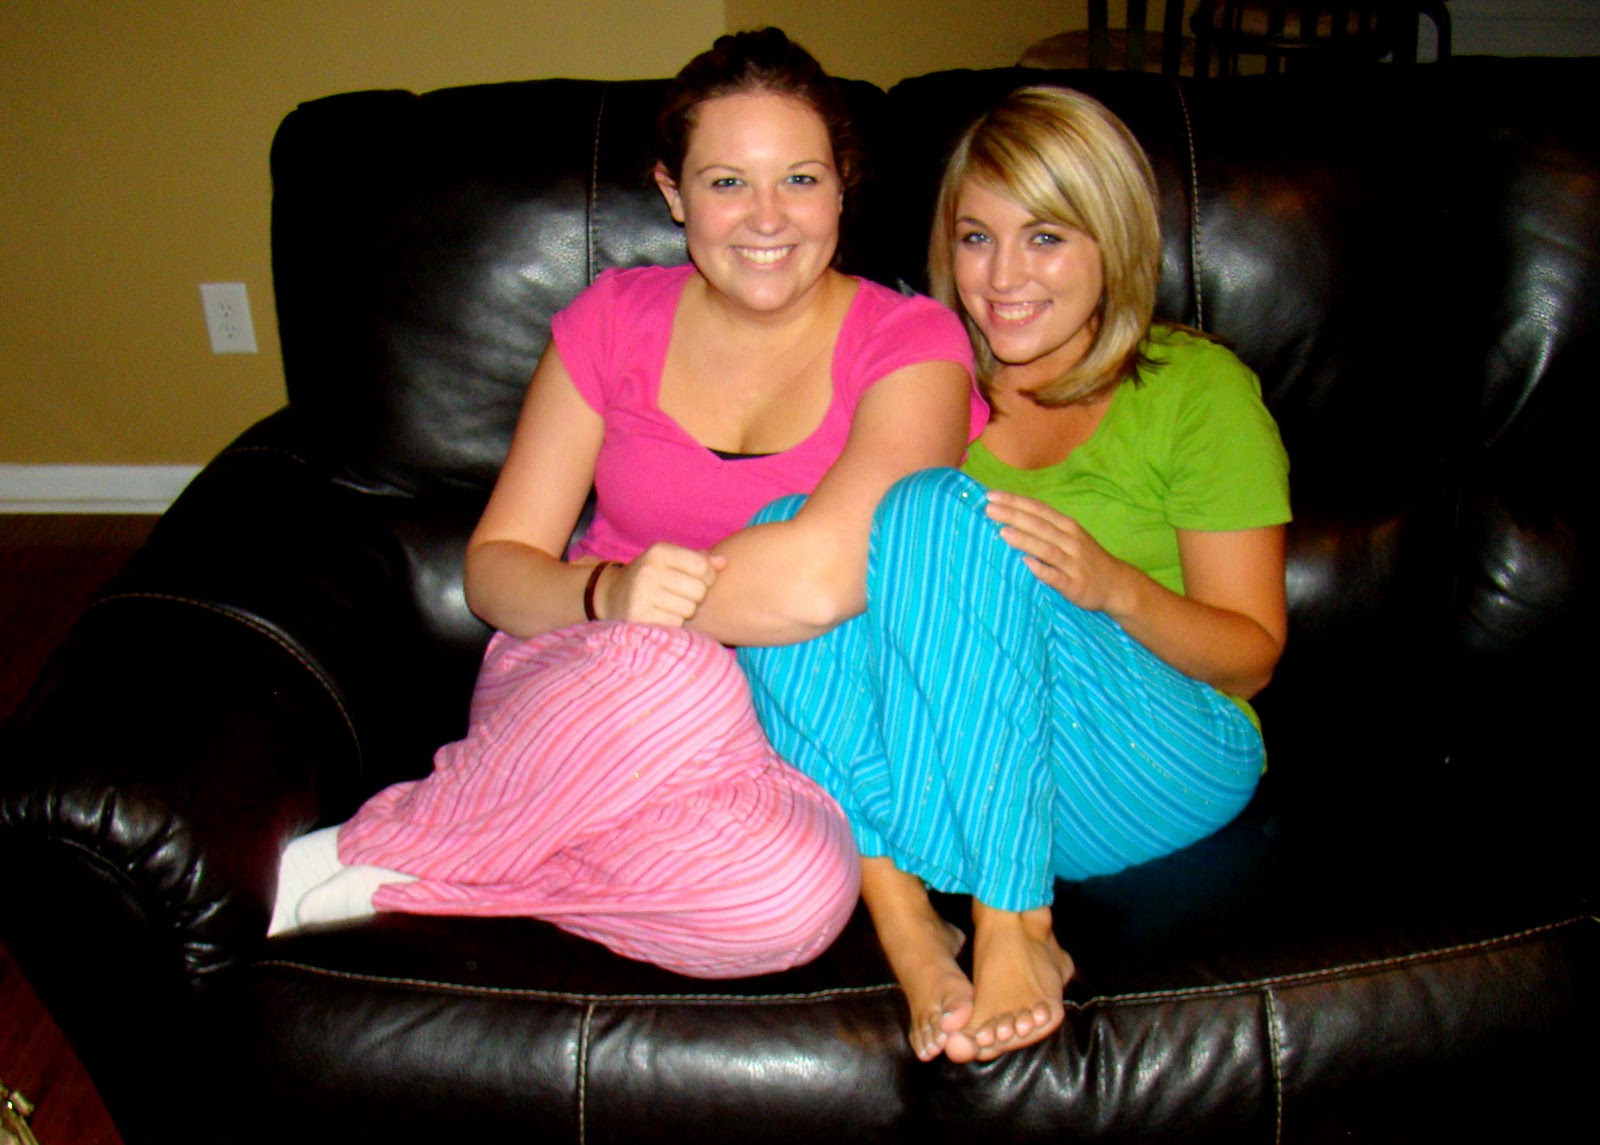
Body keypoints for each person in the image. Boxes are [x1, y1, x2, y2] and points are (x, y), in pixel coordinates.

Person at [269, 28, 986, 981]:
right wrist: (608, 594)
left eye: (801, 180)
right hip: (591, 690)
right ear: (672, 193)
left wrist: (684, 614)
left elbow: (825, 579)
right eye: (726, 182)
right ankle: (376, 847)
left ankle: (442, 863)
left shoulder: (913, 344)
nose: (768, 217)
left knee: (796, 897)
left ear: (842, 188)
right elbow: (495, 570)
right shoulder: (610, 320)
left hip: (778, 736)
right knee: (675, 672)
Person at [738, 85, 1291, 1060]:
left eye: (1045, 237)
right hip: (973, 782)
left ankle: (1015, 922)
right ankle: (909, 924)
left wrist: (1113, 586)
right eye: (975, 238)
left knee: (931, 509)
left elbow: (1251, 660)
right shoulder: (925, 383)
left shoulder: (1195, 390)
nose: (1002, 277)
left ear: (1112, 243)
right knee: (781, 532)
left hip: (1158, 756)